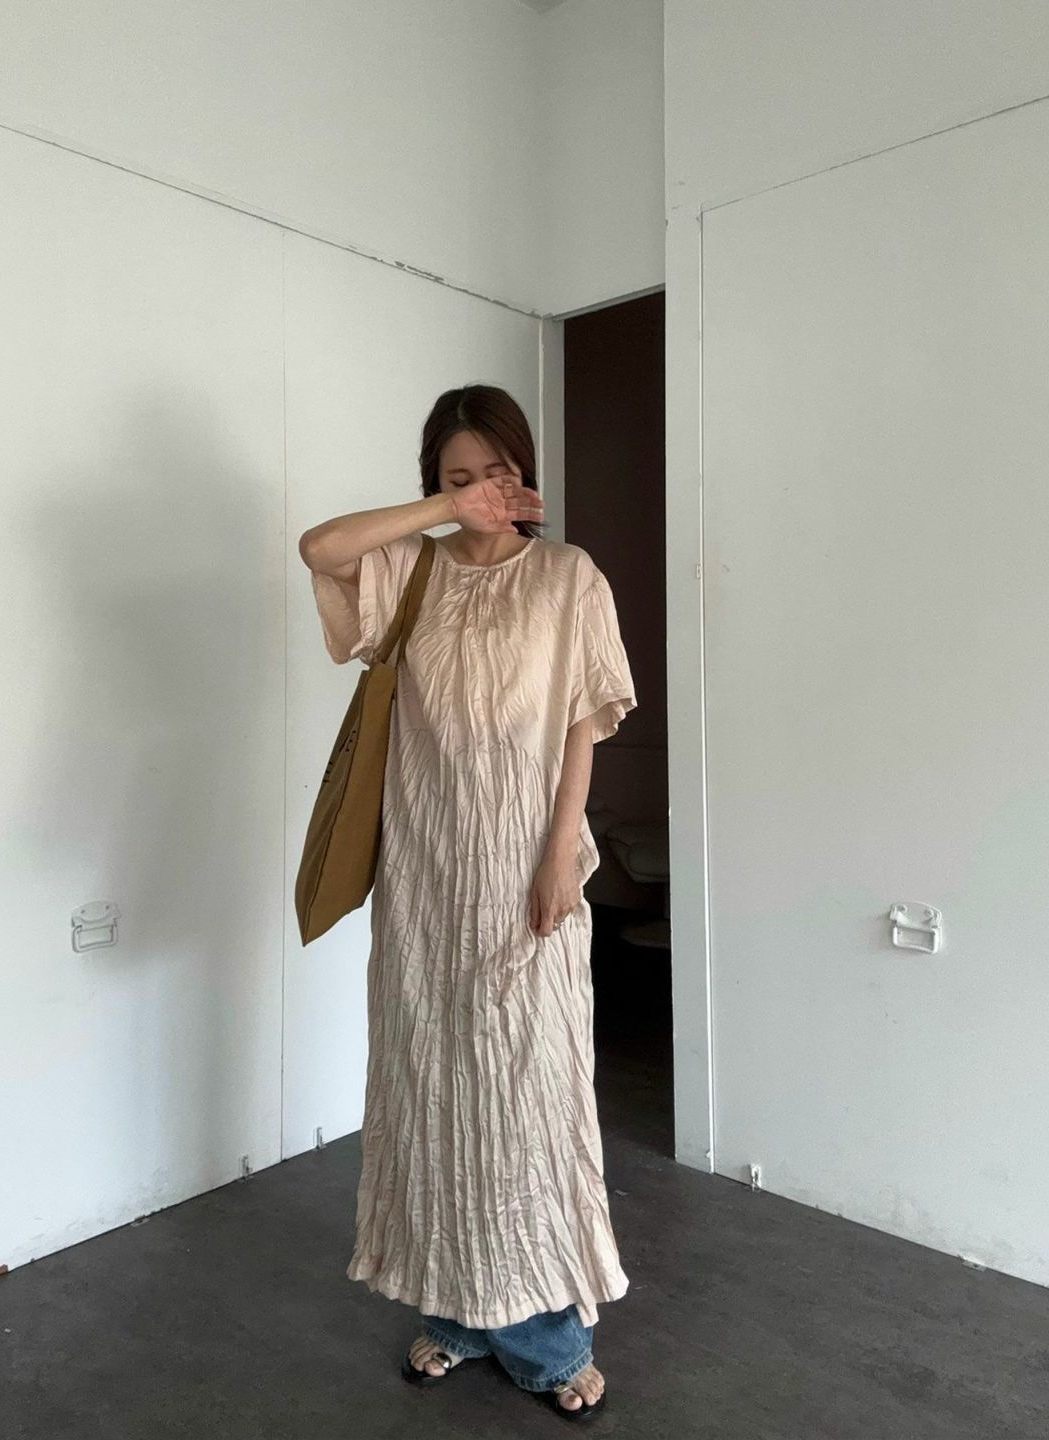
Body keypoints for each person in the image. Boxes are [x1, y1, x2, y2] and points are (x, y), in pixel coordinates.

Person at [299, 383, 637, 1421]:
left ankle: (547, 1339)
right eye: (457, 476)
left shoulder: (568, 578)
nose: (482, 490)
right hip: (425, 877)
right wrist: (445, 513)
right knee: (434, 1092)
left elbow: (581, 722)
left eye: (495, 471)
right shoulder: (410, 569)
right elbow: (320, 547)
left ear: (525, 470)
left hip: (526, 871)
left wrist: (558, 856)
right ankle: (453, 1314)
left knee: (527, 1099)